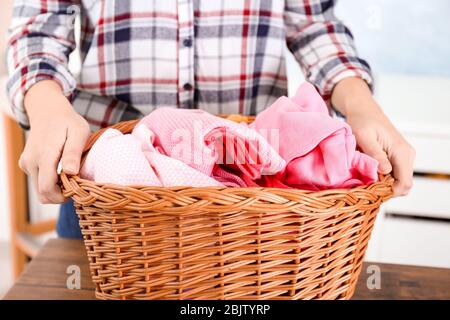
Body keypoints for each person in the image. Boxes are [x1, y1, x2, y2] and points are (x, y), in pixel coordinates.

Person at [6, 0, 415, 238]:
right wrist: (46, 106)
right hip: (108, 192)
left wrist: (361, 106)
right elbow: (39, 29)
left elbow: (313, 24)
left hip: (257, 199)